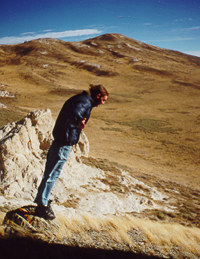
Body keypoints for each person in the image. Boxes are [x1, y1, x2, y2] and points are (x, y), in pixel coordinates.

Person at [34, 84, 108, 220]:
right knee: (53, 174)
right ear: (98, 96)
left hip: (60, 139)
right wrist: (79, 123)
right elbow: (74, 114)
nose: (103, 103)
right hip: (64, 141)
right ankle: (42, 205)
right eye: (103, 100)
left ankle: (42, 200)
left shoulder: (81, 98)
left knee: (49, 172)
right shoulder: (85, 102)